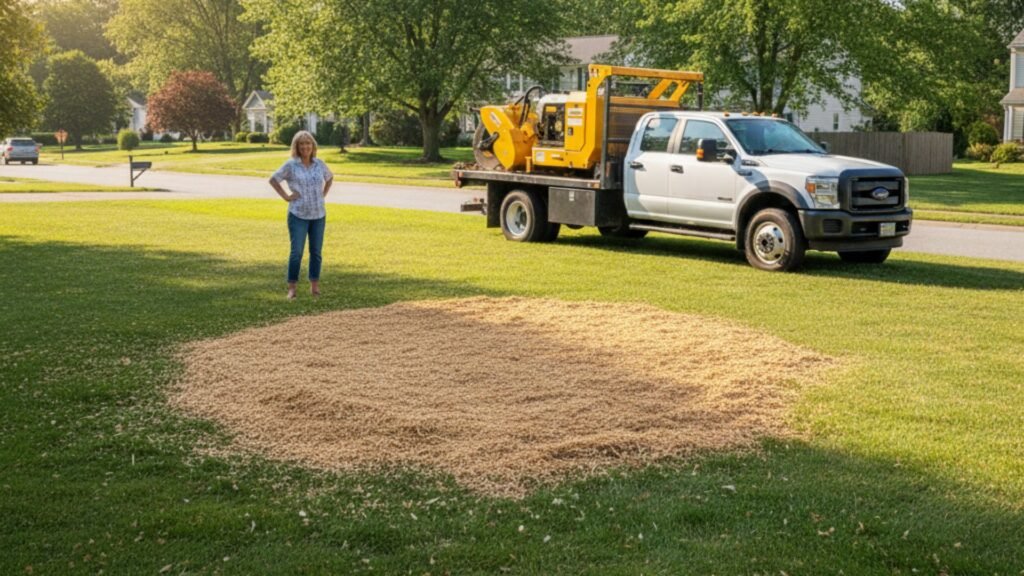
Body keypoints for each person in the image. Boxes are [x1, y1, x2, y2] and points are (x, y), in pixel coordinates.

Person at [269, 131, 334, 299]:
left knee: (316, 252)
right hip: (298, 215)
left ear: (313, 146)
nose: (305, 147)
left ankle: (314, 286)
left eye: (308, 143)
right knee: (296, 252)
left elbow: (330, 177)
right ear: (296, 147)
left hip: (318, 215)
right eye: (302, 144)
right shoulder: (291, 165)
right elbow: (273, 179)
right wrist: (286, 196)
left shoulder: (319, 164)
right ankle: (292, 288)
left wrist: (323, 194)